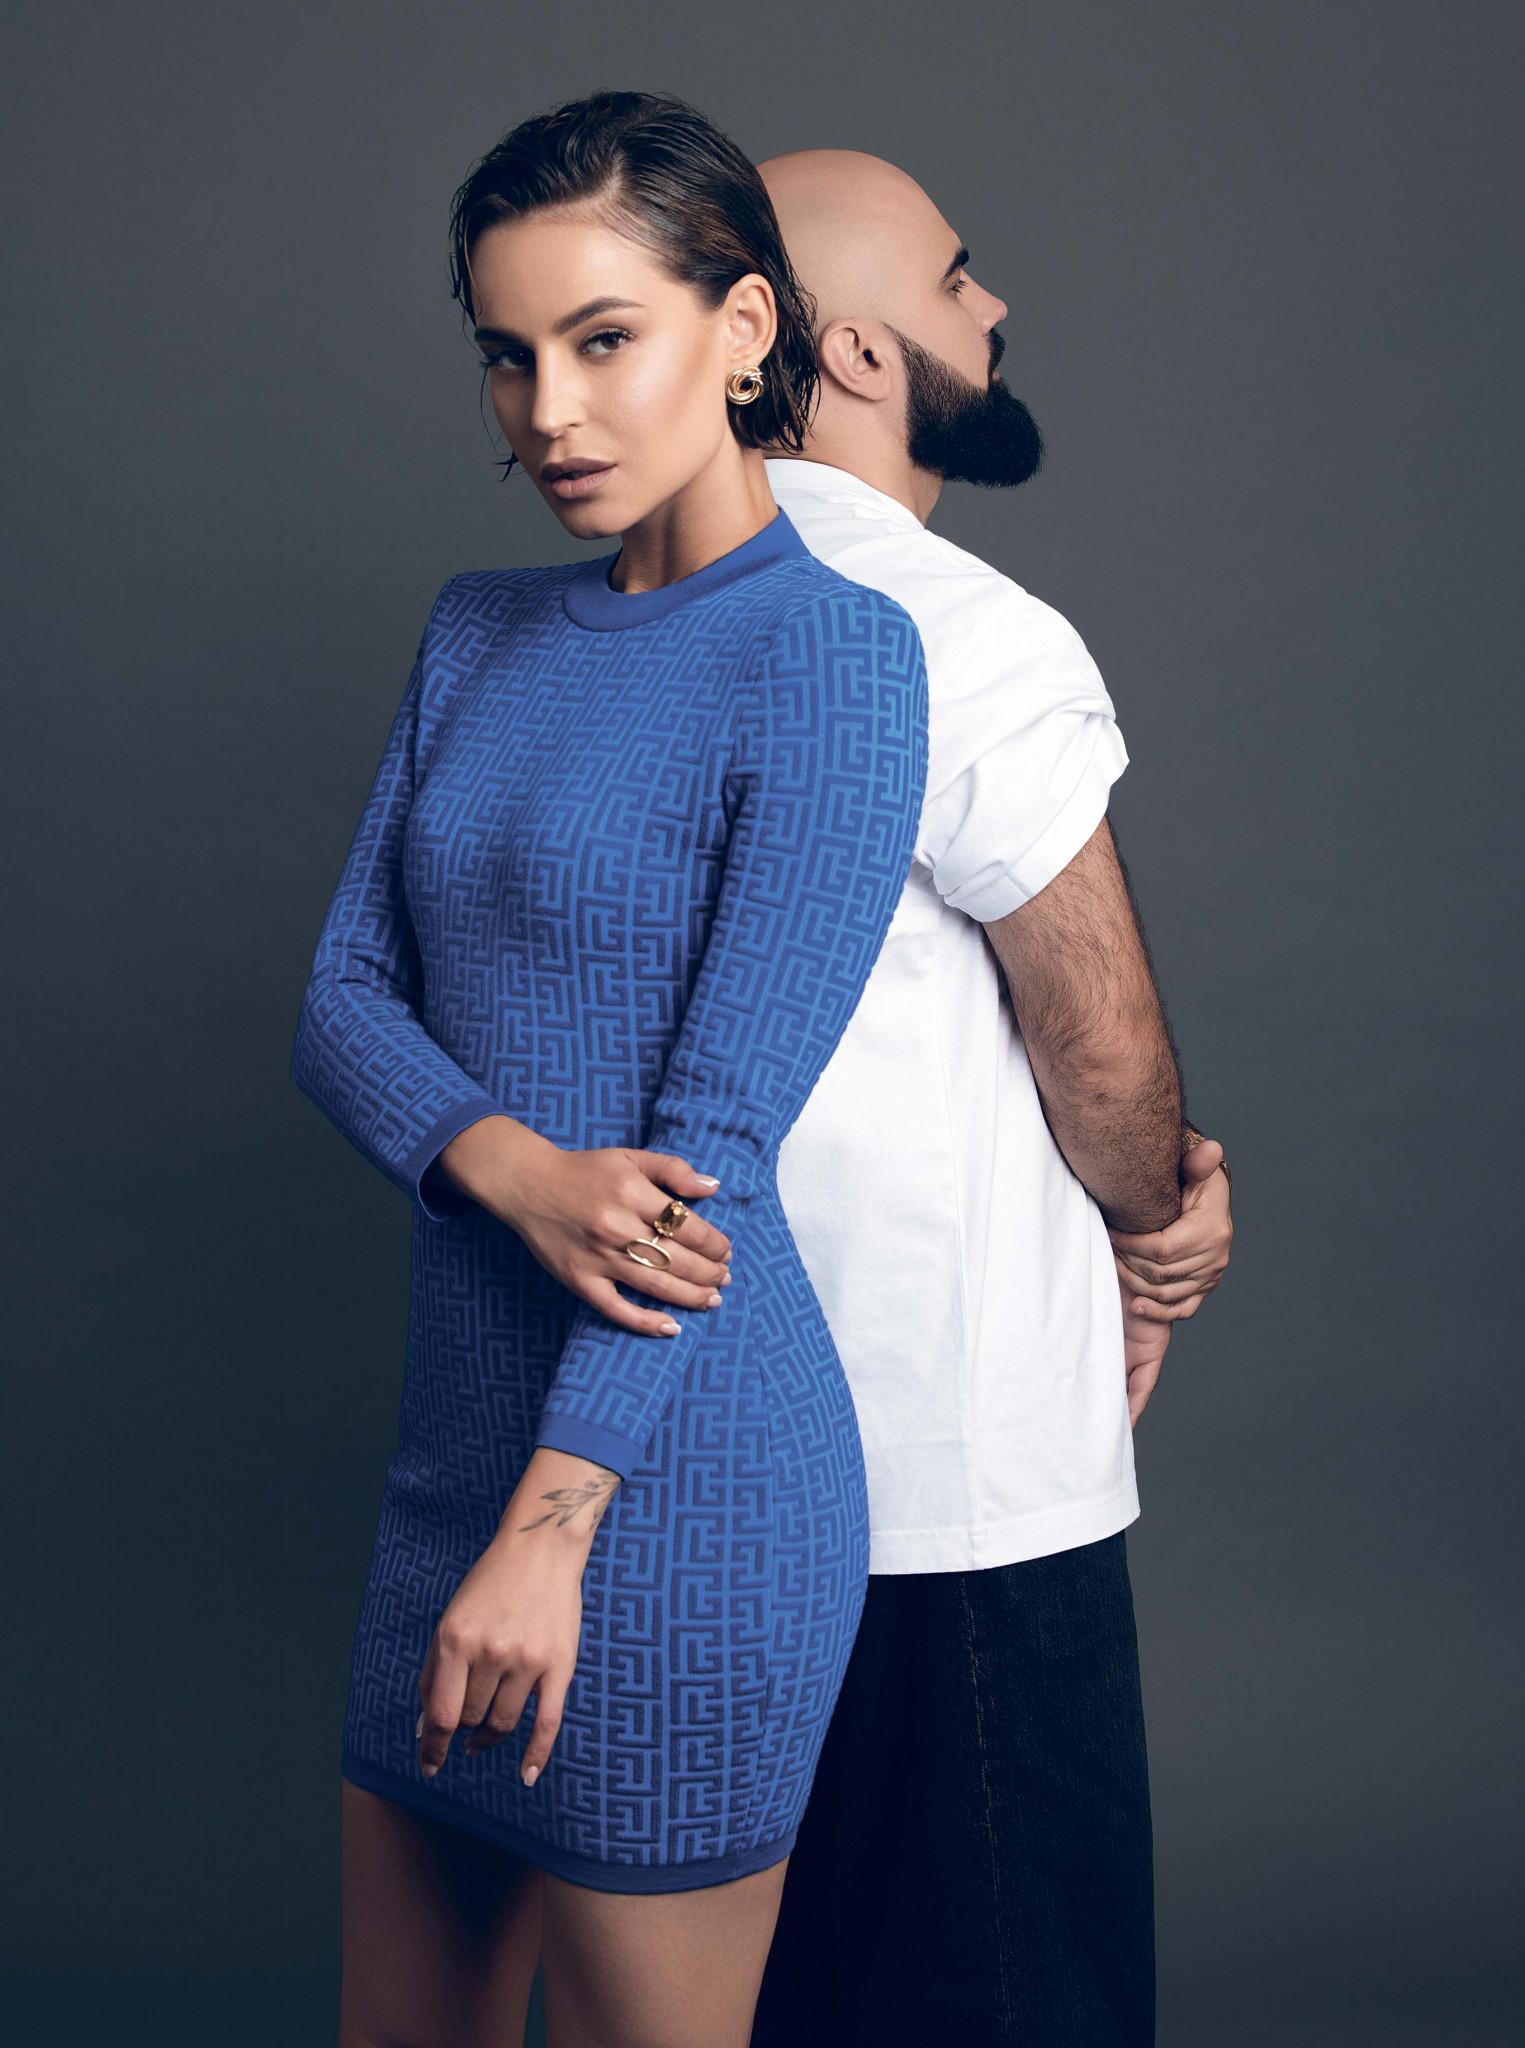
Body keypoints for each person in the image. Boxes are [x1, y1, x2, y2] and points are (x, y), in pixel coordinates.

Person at [290, 96, 928, 2048]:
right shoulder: (477, 634)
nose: (547, 410)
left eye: (602, 339)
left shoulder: (833, 658)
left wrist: (553, 1528)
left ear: (743, 330)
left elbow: (708, 1154)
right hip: (450, 1462)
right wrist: (517, 1166)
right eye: (509, 353)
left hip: (677, 1479)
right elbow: (337, 1000)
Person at [745, 150, 1236, 2047]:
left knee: (761, 1997)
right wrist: (1161, 1221)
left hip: (681, 1470)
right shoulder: (957, 630)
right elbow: (1095, 1038)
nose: (996, 305)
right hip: (944, 1483)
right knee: (1009, 1991)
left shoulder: (631, 622)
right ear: (860, 356)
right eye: (959, 279)